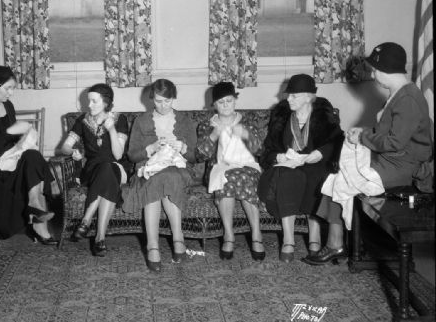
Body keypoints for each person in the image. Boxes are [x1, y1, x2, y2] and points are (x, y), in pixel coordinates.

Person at [304, 42, 433, 265]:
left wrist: (362, 138)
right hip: (391, 160)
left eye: (375, 70)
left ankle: (336, 244)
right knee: (337, 175)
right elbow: (390, 133)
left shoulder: (408, 98)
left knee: (341, 178)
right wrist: (364, 131)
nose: (373, 74)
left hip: (404, 167)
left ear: (386, 70)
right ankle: (337, 243)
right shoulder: (398, 94)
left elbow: (394, 142)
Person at [257, 74, 344, 263]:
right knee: (285, 177)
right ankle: (288, 239)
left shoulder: (323, 115)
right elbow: (269, 149)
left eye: (293, 96)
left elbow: (336, 142)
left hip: (315, 164)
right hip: (288, 165)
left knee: (319, 178)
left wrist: (320, 153)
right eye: (289, 95)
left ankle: (315, 237)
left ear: (308, 97)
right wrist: (279, 156)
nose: (288, 99)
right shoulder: (281, 115)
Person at [0, 66, 56, 244]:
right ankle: (38, 219)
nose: (11, 93)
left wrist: (25, 138)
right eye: (8, 88)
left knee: (33, 156)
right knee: (33, 165)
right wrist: (12, 131)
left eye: (13, 88)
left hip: (8, 155)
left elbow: (13, 137)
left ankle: (34, 205)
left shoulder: (7, 105)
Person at [123, 78, 198, 272]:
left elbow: (195, 156)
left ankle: (168, 241)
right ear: (151, 100)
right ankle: (160, 244)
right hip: (149, 168)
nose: (163, 106)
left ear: (174, 99)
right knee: (157, 179)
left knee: (168, 176)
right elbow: (132, 155)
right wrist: (150, 148)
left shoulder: (184, 120)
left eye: (167, 101)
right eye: (158, 101)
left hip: (179, 169)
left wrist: (183, 147)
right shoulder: (141, 121)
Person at [196, 82, 266, 261]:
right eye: (221, 102)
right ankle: (229, 235)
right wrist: (214, 135)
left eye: (229, 100)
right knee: (226, 178)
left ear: (235, 101)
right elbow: (200, 155)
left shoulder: (248, 122)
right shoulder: (207, 125)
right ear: (214, 105)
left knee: (241, 176)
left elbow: (260, 151)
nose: (226, 105)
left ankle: (256, 234)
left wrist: (246, 135)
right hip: (221, 169)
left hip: (247, 168)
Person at [60, 83, 131, 256]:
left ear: (106, 102)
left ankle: (86, 220)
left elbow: (118, 155)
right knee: (106, 175)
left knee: (109, 167)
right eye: (88, 101)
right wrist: (74, 151)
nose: (89, 105)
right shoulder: (82, 121)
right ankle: (100, 239)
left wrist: (111, 129)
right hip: (92, 170)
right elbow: (64, 147)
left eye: (93, 101)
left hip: (117, 167)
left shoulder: (119, 119)